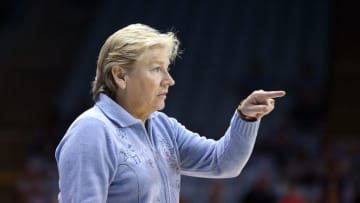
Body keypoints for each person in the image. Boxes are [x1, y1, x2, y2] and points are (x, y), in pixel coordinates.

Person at [55, 23, 286, 203]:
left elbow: (224, 163)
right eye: (157, 69)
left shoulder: (163, 126)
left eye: (168, 69)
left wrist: (245, 117)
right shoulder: (92, 131)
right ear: (120, 76)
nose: (170, 80)